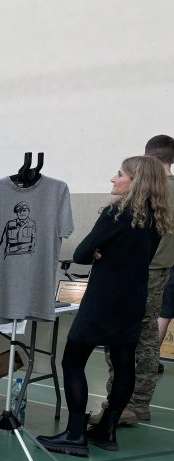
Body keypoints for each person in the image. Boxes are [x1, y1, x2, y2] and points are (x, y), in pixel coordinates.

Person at [38, 156, 172, 456]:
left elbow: (81, 254)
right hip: (133, 298)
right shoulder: (157, 218)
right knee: (124, 362)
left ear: (135, 181)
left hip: (104, 298)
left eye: (119, 174)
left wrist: (97, 252)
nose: (113, 178)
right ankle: (107, 429)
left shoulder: (116, 213)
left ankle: (75, 434)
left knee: (73, 361)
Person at [89, 135, 174, 424]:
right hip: (162, 270)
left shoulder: (147, 190)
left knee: (121, 339)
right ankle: (138, 404)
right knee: (147, 339)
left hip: (133, 271)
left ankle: (119, 405)